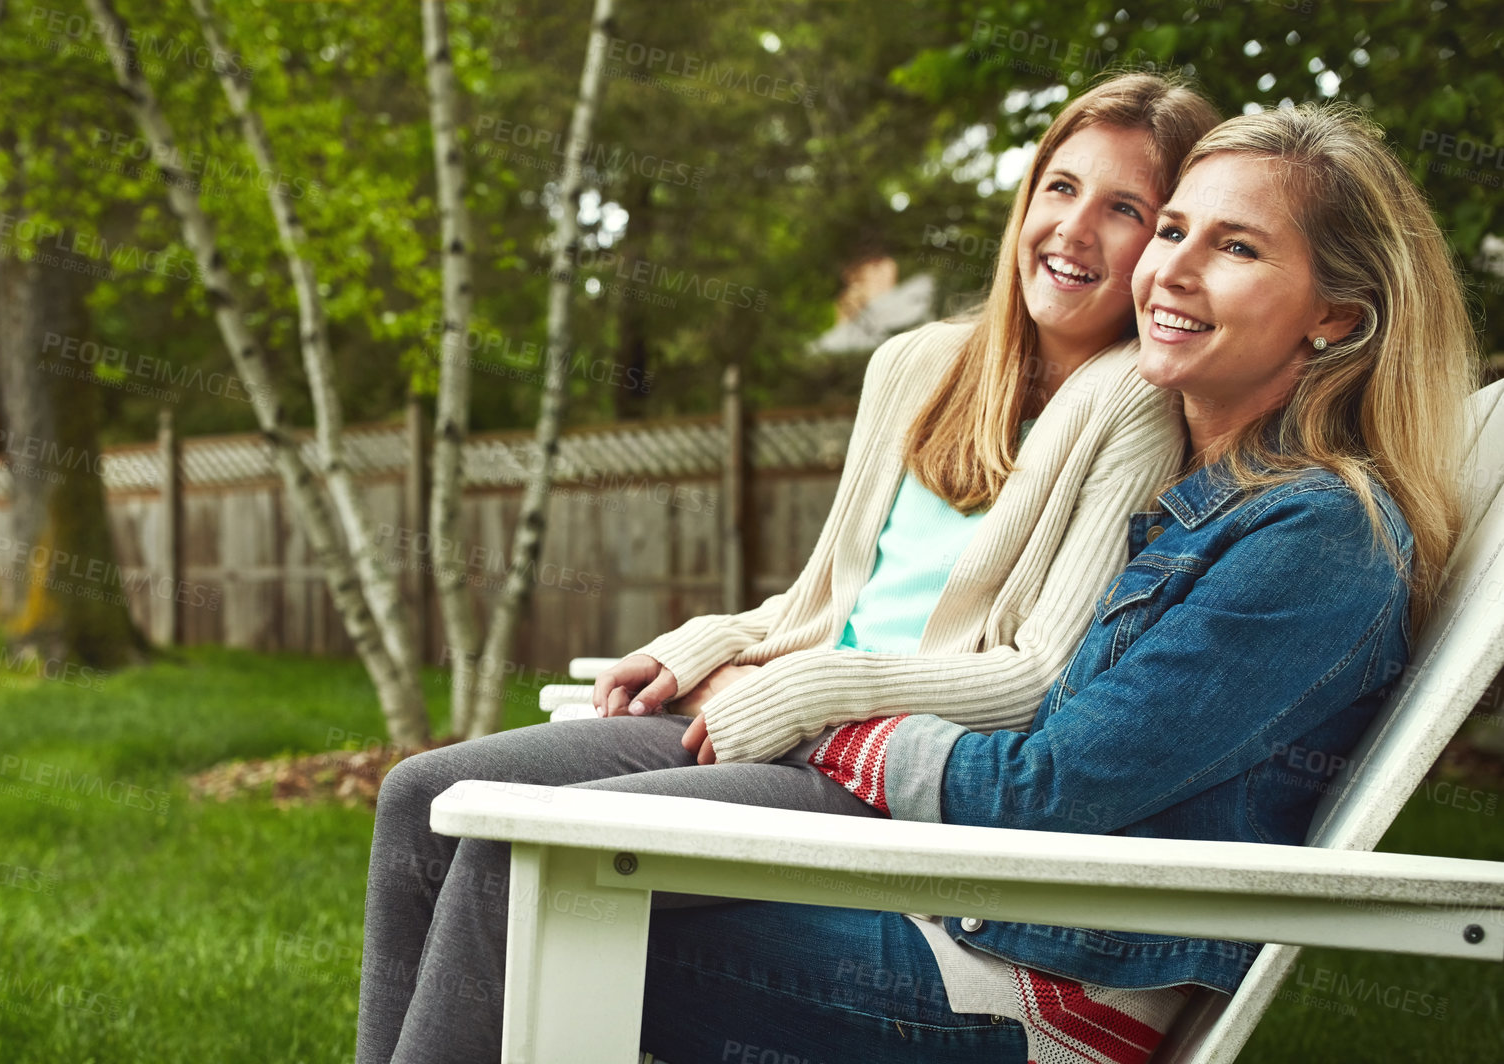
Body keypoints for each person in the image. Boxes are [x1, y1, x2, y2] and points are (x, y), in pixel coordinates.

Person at [356, 71, 1222, 1064]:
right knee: (422, 798)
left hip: (880, 777)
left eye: (1125, 209)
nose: (1074, 229)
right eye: (1060, 188)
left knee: (518, 859)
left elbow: (1038, 677)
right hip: (778, 718)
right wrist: (712, 645)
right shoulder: (917, 362)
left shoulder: (1136, 404)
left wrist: (805, 691)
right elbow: (829, 602)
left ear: (1162, 245)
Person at [639, 103, 1478, 1064]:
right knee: (496, 870)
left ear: (1336, 314)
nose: (1173, 269)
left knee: (536, 899)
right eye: (1172, 231)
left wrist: (793, 707)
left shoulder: (1319, 536)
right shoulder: (1194, 500)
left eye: (1236, 247)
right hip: (951, 911)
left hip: (1041, 993)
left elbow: (1041, 790)